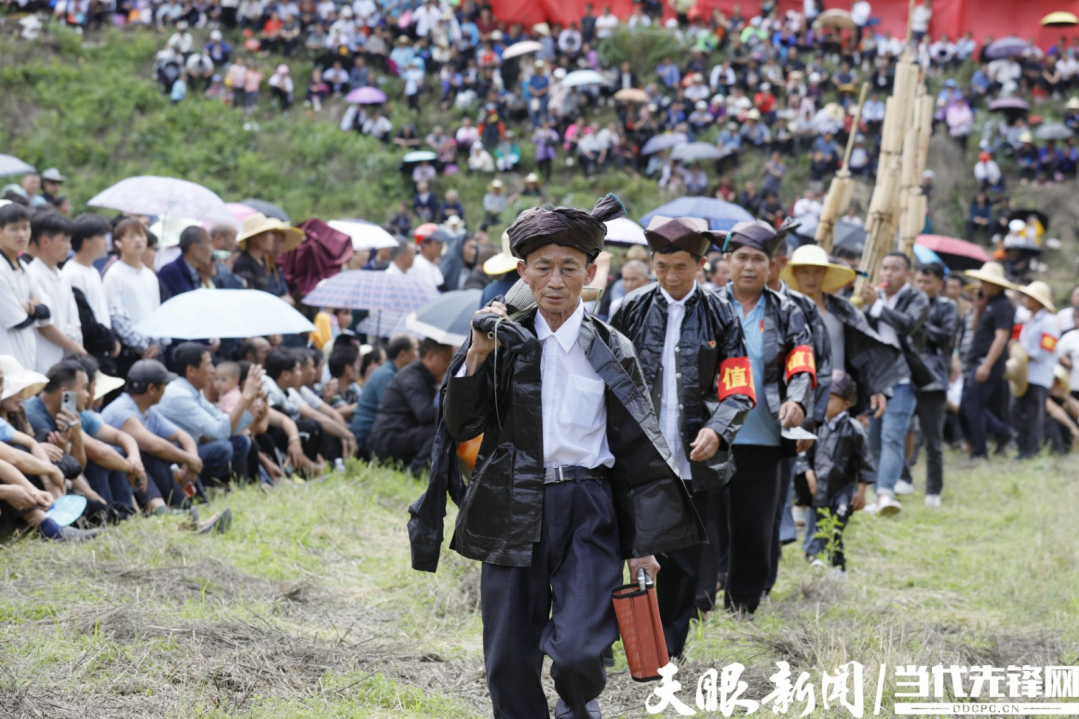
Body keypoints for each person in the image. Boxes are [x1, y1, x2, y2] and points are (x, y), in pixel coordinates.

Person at [409, 193, 704, 719]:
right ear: (523, 271)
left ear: (589, 273)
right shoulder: (500, 340)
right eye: (543, 267)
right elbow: (460, 424)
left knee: (578, 653)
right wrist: (476, 352)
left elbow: (636, 451)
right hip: (510, 499)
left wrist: (642, 544)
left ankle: (577, 701)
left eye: (569, 268)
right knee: (507, 657)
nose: (555, 280)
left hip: (588, 505)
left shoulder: (613, 349)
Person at [609, 216, 752, 658]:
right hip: (637, 456)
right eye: (662, 266)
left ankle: (669, 650)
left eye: (681, 268)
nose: (670, 277)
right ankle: (616, 643)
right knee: (628, 547)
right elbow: (606, 378)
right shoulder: (629, 308)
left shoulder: (721, 313)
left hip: (694, 455)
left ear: (701, 265)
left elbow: (738, 387)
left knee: (685, 559)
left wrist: (717, 427)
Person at [713, 219, 813, 615]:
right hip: (713, 432)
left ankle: (743, 604)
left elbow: (801, 362)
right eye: (742, 258)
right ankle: (701, 597)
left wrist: (799, 401)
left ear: (773, 266)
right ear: (727, 261)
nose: (749, 267)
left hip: (765, 434)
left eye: (758, 259)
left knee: (755, 525)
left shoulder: (789, 310)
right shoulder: (709, 304)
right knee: (709, 522)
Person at [856, 252, 928, 515]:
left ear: (907, 274)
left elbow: (908, 325)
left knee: (892, 436)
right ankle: (877, 494)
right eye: (884, 267)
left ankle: (886, 494)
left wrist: (876, 305)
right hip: (875, 380)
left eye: (894, 268)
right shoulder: (873, 296)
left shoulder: (916, 298)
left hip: (903, 379)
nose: (887, 273)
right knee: (873, 440)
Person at [100, 359, 213, 514]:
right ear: (152, 388)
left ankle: (187, 505)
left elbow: (182, 435)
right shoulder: (122, 410)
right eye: (164, 386)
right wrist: (189, 459)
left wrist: (192, 460)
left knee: (174, 450)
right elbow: (153, 445)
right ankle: (162, 509)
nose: (166, 390)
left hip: (130, 474)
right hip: (118, 478)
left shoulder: (148, 411)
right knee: (149, 453)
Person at [799, 371, 875, 576]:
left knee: (837, 524)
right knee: (819, 521)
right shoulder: (816, 426)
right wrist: (807, 472)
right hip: (820, 485)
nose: (825, 403)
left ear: (846, 403)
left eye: (830, 399)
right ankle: (817, 557)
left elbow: (864, 461)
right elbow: (803, 453)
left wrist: (861, 490)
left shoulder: (854, 429)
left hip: (844, 489)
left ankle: (838, 563)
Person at [156, 343, 260, 485]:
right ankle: (199, 486)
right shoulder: (179, 395)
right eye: (209, 365)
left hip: (192, 449)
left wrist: (250, 406)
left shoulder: (194, 391)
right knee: (223, 448)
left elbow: (223, 422)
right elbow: (220, 431)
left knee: (241, 442)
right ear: (191, 371)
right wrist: (245, 398)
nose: (213, 371)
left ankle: (211, 484)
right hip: (174, 456)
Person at [911, 263, 958, 506]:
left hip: (933, 379)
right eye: (919, 281)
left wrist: (917, 321)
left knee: (932, 438)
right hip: (906, 375)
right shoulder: (908, 302)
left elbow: (945, 337)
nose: (922, 287)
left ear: (940, 284)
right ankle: (902, 480)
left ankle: (933, 490)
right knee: (902, 432)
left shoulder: (948, 307)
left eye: (927, 282)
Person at [368, 339, 452, 473]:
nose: (449, 364)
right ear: (430, 357)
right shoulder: (412, 376)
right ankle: (415, 472)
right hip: (387, 440)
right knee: (439, 428)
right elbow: (424, 413)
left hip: (401, 435)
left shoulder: (423, 376)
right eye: (446, 359)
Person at [959, 262, 1017, 461]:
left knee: (973, 405)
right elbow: (975, 330)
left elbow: (1001, 338)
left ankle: (980, 450)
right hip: (978, 359)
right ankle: (1002, 431)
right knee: (969, 404)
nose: (983, 286)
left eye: (987, 282)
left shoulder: (1003, 306)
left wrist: (987, 365)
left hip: (987, 362)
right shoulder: (988, 304)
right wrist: (977, 309)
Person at [103, 218, 166, 368]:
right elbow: (116, 316)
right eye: (131, 236)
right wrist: (142, 346)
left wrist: (157, 344)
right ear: (118, 243)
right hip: (129, 353)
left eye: (141, 235)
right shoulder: (114, 274)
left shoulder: (149, 275)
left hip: (153, 350)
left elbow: (157, 311)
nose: (138, 240)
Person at [26, 212, 84, 373]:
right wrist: (77, 349)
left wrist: (78, 350)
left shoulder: (63, 276)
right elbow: (44, 326)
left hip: (66, 362)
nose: (69, 246)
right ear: (45, 241)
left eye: (69, 240)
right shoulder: (31, 275)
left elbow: (74, 321)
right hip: (42, 363)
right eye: (64, 240)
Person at [1013, 282, 1059, 460]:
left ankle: (1032, 450)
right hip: (1023, 375)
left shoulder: (1048, 321)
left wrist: (1025, 356)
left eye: (1028, 297)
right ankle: (1023, 446)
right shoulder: (1029, 320)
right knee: (1016, 410)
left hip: (1038, 375)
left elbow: (1048, 347)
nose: (1024, 300)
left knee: (1034, 413)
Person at [351, 335, 416, 451]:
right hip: (366, 434)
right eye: (415, 349)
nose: (418, 355)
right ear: (402, 355)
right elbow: (394, 412)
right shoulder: (386, 376)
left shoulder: (392, 373)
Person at [0, 203, 45, 371]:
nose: (22, 234)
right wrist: (35, 308)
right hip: (6, 364)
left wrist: (28, 308)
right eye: (14, 229)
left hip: (26, 360)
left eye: (25, 228)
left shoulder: (25, 267)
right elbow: (19, 321)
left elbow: (47, 311)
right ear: (0, 232)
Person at [233, 213, 304, 303]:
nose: (271, 238)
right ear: (255, 237)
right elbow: (249, 297)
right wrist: (279, 301)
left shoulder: (262, 263)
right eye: (267, 234)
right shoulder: (244, 262)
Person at [158, 225, 213, 297]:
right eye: (209, 243)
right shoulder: (170, 272)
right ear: (195, 248)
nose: (211, 249)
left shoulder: (195, 274)